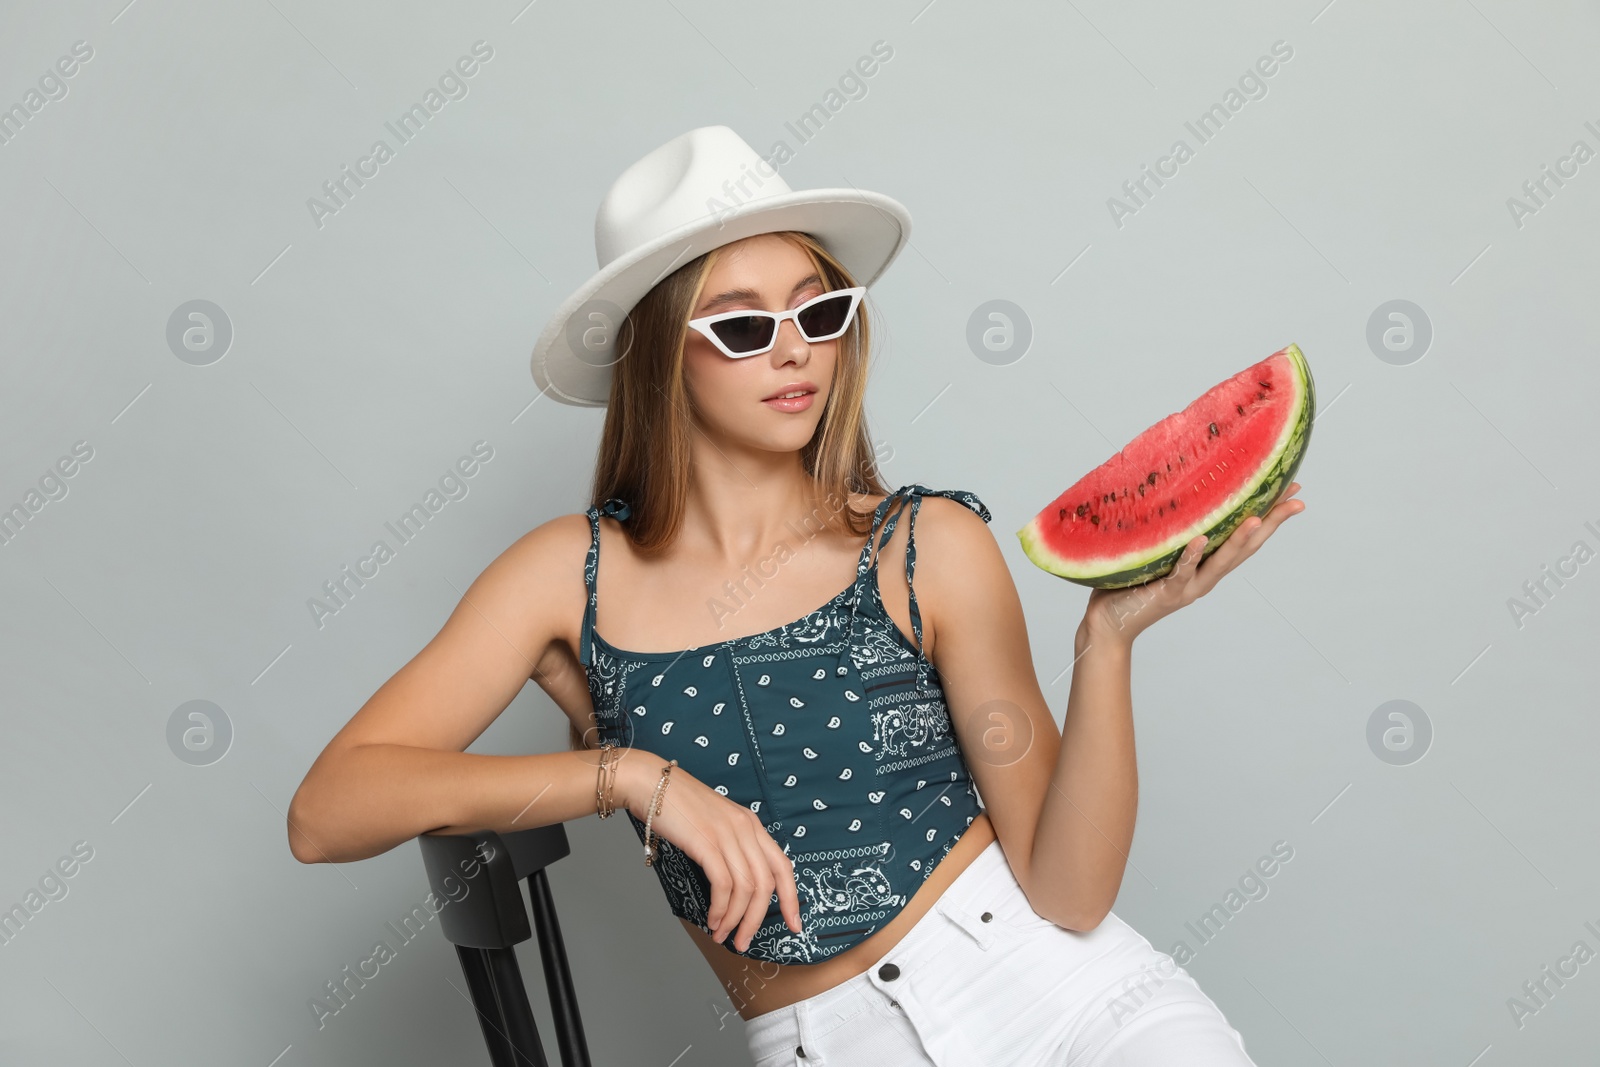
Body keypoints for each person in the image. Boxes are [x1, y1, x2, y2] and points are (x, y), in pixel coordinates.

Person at [287, 126, 1304, 1066]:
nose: (792, 348)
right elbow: (328, 812)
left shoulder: (926, 544)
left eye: (817, 311)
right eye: (739, 326)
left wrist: (1108, 642)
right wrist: (628, 775)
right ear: (656, 354)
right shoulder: (567, 576)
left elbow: (1068, 891)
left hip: (1075, 1006)